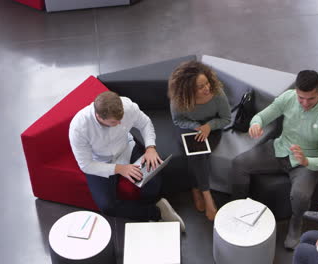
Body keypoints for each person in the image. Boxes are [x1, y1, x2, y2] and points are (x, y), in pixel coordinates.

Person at [231, 70, 318, 249]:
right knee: (238, 164)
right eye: (301, 98)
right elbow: (261, 116)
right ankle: (236, 207)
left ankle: (296, 224)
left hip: (307, 163)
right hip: (280, 149)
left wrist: (307, 162)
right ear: (296, 91)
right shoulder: (288, 97)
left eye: (310, 99)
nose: (305, 103)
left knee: (300, 195)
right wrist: (256, 124)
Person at [69, 91, 185, 231]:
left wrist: (150, 147)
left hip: (126, 148)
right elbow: (86, 165)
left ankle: (159, 204)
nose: (119, 124)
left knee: (154, 180)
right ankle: (155, 213)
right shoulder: (79, 128)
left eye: (121, 119)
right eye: (114, 122)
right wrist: (120, 169)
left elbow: (145, 123)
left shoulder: (127, 106)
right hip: (100, 162)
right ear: (99, 116)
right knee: (107, 206)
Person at [168, 61, 231, 221]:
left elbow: (226, 118)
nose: (207, 88)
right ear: (188, 90)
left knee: (199, 153)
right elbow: (178, 120)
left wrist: (209, 126)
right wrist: (196, 126)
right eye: (200, 87)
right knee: (196, 151)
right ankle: (207, 195)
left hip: (213, 129)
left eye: (207, 83)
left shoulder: (217, 94)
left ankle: (197, 189)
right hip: (189, 128)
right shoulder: (179, 99)